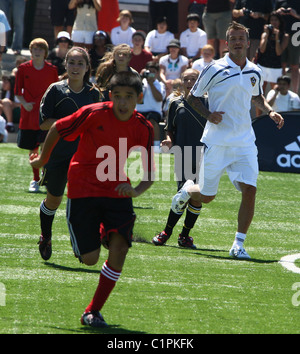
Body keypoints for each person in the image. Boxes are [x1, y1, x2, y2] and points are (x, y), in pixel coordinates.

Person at [30, 71, 155, 328]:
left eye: (128, 97)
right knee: (90, 259)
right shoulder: (93, 113)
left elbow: (149, 172)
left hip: (117, 192)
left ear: (138, 99)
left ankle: (92, 311)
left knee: (120, 249)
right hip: (83, 189)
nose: (122, 103)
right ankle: (99, 231)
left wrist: (137, 191)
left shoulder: (143, 126)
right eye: (117, 96)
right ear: (110, 96)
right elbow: (56, 127)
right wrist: (43, 160)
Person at [171, 22, 284, 260]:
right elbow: (193, 97)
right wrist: (209, 114)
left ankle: (238, 245)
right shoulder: (213, 68)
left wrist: (269, 111)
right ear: (226, 42)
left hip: (244, 142)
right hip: (217, 141)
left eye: (241, 38)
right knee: (207, 196)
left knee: (250, 189)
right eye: (233, 38)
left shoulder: (255, 70)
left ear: (248, 41)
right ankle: (186, 191)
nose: (237, 42)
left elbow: (258, 97)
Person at [35, 46, 100, 261]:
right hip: (57, 155)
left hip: (84, 158)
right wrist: (71, 124)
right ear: (65, 65)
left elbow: (101, 127)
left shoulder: (95, 94)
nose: (75, 67)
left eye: (80, 63)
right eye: (71, 62)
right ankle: (46, 235)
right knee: (53, 200)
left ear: (87, 67)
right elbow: (44, 123)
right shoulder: (55, 90)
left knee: (84, 202)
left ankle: (82, 246)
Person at [153, 68, 206, 248]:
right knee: (183, 196)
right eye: (187, 79)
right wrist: (168, 140)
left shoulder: (210, 102)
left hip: (205, 156)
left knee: (196, 196)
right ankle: (166, 232)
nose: (190, 82)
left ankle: (184, 235)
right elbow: (169, 128)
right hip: (183, 155)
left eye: (194, 79)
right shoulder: (175, 103)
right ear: (181, 82)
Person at [14, 38, 59, 193]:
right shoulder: (23, 69)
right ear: (31, 51)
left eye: (40, 49)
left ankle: (45, 178)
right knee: (32, 149)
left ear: (45, 52)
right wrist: (24, 103)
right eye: (34, 49)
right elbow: (17, 92)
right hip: (28, 116)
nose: (37, 52)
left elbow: (56, 93)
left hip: (45, 116)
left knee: (46, 148)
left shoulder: (52, 70)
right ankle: (34, 179)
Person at [255, 11, 289, 115]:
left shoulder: (285, 36)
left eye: (276, 20)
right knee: (260, 94)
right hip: (263, 66)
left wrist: (277, 37)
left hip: (276, 68)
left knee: (276, 92)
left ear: (279, 22)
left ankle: (274, 116)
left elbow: (279, 52)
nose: (273, 22)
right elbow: (262, 49)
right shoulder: (265, 34)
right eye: (272, 20)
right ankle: (258, 117)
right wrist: (266, 35)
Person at [136, 61, 166, 152]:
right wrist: (140, 79)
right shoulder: (140, 83)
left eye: (153, 71)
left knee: (152, 120)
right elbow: (138, 99)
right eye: (149, 71)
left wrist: (151, 84)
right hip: (140, 110)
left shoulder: (160, 85)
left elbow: (159, 98)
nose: (151, 74)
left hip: (154, 111)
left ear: (157, 73)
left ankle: (156, 146)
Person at [275, 1, 300, 93]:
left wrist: (296, 14)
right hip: (282, 35)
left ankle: (295, 93)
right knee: (282, 64)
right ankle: (282, 91)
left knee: (295, 65)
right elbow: (272, 17)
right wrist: (278, 12)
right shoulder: (280, 1)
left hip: (296, 35)